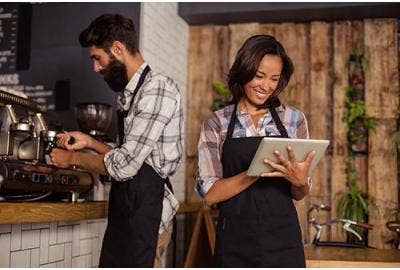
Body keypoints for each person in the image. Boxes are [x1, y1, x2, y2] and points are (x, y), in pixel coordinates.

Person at [49, 14, 184, 267]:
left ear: (118, 49)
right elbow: (128, 154)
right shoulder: (129, 95)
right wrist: (88, 141)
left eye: (97, 58)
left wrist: (73, 159)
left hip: (148, 215)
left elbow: (124, 165)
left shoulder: (157, 89)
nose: (96, 68)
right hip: (128, 211)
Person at [196, 35, 314, 267]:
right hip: (234, 243)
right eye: (259, 76)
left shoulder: (293, 120)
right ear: (244, 70)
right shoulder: (217, 123)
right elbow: (210, 194)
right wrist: (257, 169)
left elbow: (299, 193)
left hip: (283, 241)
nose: (266, 86)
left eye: (274, 79)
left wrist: (300, 182)